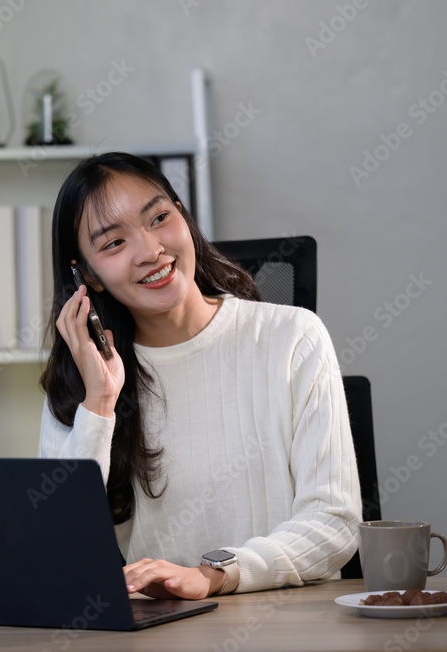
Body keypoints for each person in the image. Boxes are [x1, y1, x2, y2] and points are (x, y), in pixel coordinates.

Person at [39, 152, 361, 600]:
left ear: (185, 219)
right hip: (161, 632)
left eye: (159, 217)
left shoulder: (293, 338)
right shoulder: (83, 381)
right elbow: (60, 548)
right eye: (114, 243)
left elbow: (335, 525)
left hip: (291, 625)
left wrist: (213, 574)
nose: (150, 251)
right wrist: (99, 403)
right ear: (87, 275)